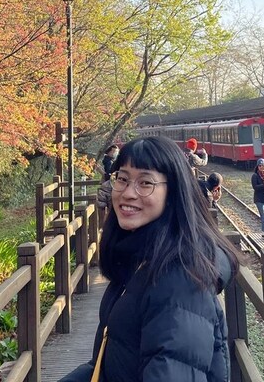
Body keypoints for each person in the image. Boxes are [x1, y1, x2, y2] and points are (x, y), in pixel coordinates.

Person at [59, 136, 240, 382]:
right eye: (122, 179)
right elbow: (113, 362)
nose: (128, 193)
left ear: (173, 192)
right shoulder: (141, 258)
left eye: (145, 183)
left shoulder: (180, 280)